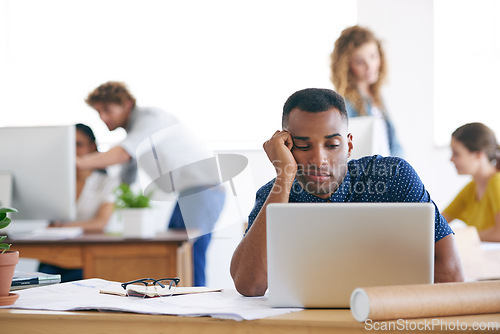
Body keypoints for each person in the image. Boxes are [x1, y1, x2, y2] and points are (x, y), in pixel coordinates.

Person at [230, 88, 464, 297]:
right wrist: (284, 175)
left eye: (331, 145)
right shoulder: (275, 193)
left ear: (349, 146)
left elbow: (450, 272)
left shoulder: (393, 176)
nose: (318, 160)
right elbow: (250, 285)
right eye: (303, 145)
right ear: (286, 146)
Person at [77, 81, 225, 286]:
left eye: (107, 110)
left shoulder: (151, 118)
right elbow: (125, 179)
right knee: (174, 257)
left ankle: (197, 310)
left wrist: (79, 162)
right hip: (188, 194)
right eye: (98, 112)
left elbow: (123, 153)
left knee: (189, 258)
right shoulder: (135, 132)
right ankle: (181, 308)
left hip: (204, 190)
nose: (103, 117)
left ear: (127, 104)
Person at [39, 123, 118, 282]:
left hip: (88, 256)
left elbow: (100, 223)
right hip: (54, 255)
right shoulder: (56, 183)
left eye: (78, 144)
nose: (73, 150)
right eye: (69, 145)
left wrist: (62, 227)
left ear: (92, 147)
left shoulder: (108, 183)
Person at [330, 25, 403, 157]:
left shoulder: (377, 96)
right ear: (346, 66)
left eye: (373, 56)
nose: (370, 66)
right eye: (359, 61)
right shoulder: (344, 104)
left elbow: (394, 144)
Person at [442, 122, 500, 242]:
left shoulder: (496, 182)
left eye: (456, 153)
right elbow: (439, 222)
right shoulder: (472, 187)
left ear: (479, 155)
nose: (451, 159)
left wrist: (463, 236)